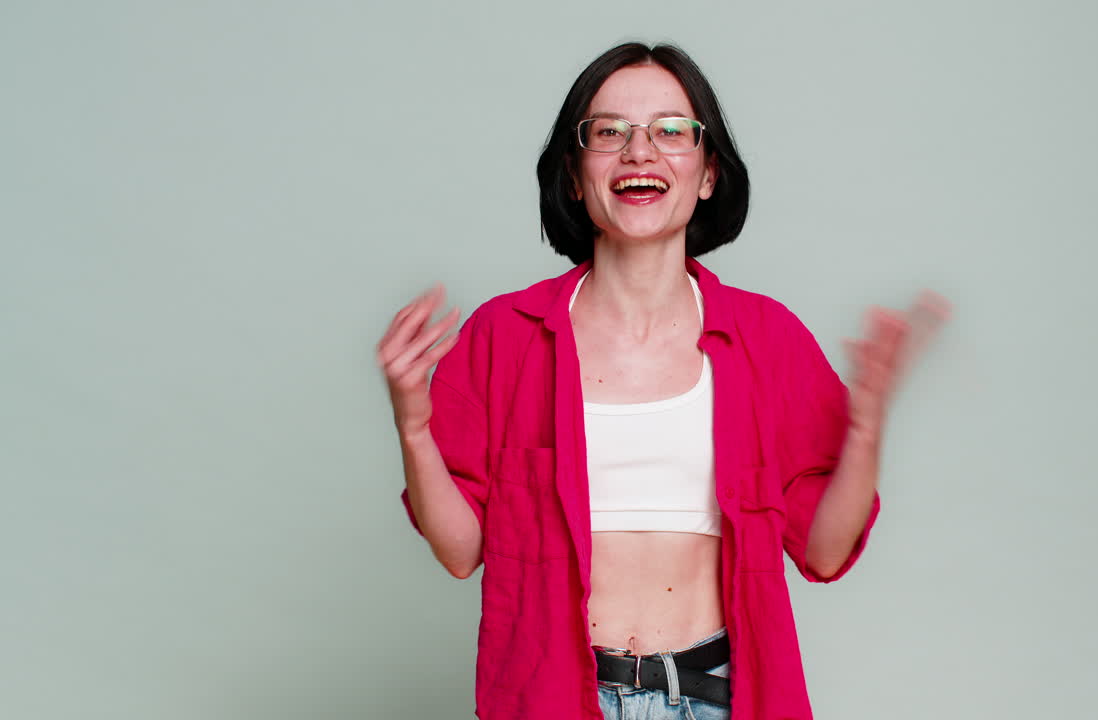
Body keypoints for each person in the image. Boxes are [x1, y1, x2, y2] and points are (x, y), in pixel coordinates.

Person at [376, 42, 949, 720]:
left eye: (672, 131)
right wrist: (413, 428)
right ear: (574, 175)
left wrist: (866, 430)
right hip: (558, 701)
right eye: (609, 132)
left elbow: (824, 552)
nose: (639, 151)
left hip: (715, 699)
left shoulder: (767, 338)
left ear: (708, 174)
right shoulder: (506, 336)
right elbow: (461, 550)